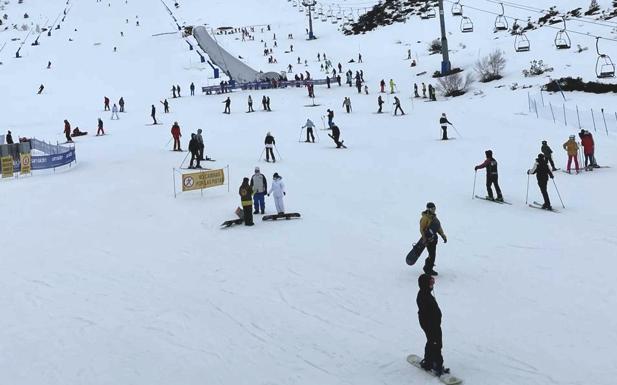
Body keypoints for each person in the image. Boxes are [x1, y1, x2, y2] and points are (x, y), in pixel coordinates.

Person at [417, 273, 449, 376]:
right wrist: (433, 324)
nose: (432, 285)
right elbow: (427, 313)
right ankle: (437, 366)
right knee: (436, 344)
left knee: (432, 342)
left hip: (432, 324)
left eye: (432, 282)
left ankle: (429, 362)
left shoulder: (426, 293)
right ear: (425, 285)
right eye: (430, 283)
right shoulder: (423, 296)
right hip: (430, 325)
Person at [419, 202, 447, 276]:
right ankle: (427, 269)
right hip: (428, 239)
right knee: (432, 254)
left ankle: (428, 267)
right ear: (428, 209)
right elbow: (422, 229)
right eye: (433, 209)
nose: (434, 210)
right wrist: (424, 238)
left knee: (432, 254)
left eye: (435, 208)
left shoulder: (434, 217)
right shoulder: (425, 218)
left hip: (434, 239)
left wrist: (442, 235)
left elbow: (438, 227)